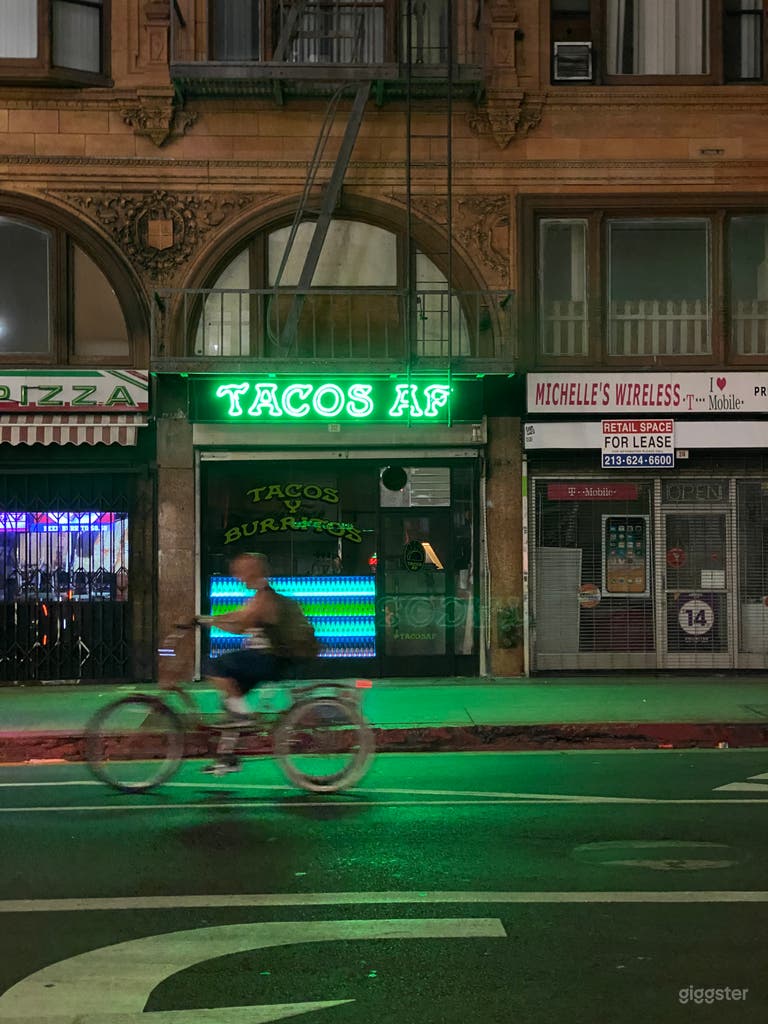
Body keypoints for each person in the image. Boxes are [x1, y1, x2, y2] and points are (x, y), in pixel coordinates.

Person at [196, 551, 285, 775]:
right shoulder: (259, 595)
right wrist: (209, 621)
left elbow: (241, 623)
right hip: (261, 657)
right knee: (232, 701)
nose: (237, 576)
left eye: (241, 571)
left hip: (265, 659)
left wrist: (208, 620)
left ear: (253, 571)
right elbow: (239, 621)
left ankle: (244, 718)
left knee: (212, 665)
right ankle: (227, 758)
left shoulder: (265, 596)